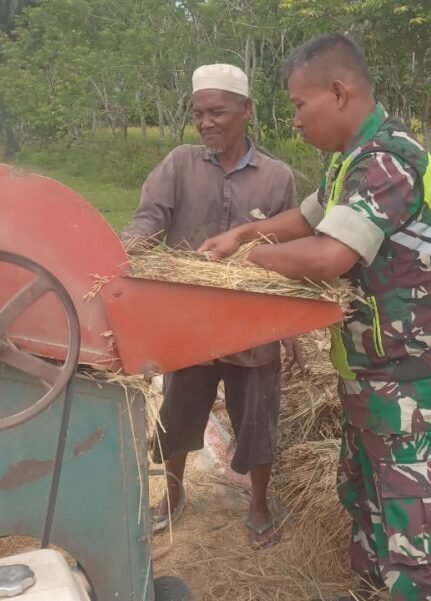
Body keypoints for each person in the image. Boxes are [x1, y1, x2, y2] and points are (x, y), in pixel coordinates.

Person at [199, 35, 431, 600]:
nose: (296, 121)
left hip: (411, 380)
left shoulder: (387, 160)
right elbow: (306, 221)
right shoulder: (347, 162)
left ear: (338, 91)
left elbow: (330, 254)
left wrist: (250, 259)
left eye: (301, 106)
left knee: (418, 547)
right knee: (367, 505)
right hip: (374, 374)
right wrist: (239, 233)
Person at [120, 63, 302, 549]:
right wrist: (131, 248)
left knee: (258, 419)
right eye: (199, 113)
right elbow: (149, 219)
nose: (206, 123)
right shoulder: (179, 164)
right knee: (178, 414)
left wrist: (291, 328)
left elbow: (287, 253)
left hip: (252, 327)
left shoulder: (277, 177)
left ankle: (258, 504)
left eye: (217, 112)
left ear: (246, 110)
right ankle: (174, 495)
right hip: (190, 326)